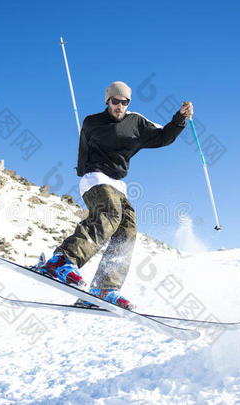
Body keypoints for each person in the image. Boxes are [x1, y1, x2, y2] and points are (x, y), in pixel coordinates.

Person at [41, 81, 193, 309]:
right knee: (110, 213)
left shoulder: (137, 122)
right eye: (115, 101)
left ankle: (104, 288)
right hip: (94, 178)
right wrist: (84, 171)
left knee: (128, 227)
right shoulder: (92, 122)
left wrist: (180, 119)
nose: (119, 106)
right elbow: (82, 151)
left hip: (117, 183)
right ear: (107, 101)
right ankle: (63, 259)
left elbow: (163, 137)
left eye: (124, 102)